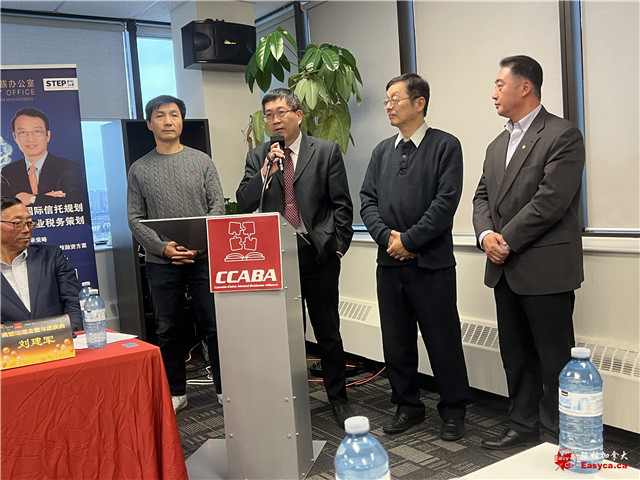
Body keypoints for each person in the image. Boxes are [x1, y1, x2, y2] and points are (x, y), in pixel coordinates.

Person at [472, 55, 585, 449]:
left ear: (525, 87)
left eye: (499, 84)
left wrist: (504, 240)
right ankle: (522, 424)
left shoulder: (562, 135)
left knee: (554, 359)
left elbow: (551, 200)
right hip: (504, 268)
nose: (493, 93)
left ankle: (557, 434)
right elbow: (482, 196)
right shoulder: (496, 144)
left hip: (544, 267)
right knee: (516, 355)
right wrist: (485, 234)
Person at [360, 73, 470, 441]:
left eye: (396, 99)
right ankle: (407, 405)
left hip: (431, 264)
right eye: (387, 100)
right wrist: (387, 238)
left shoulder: (445, 146)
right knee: (397, 340)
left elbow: (445, 203)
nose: (388, 106)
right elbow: (367, 200)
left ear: (419, 102)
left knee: (443, 340)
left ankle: (453, 409)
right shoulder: (381, 151)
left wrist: (409, 240)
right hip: (389, 264)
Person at [236, 88, 355, 429]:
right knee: (286, 335)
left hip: (317, 253)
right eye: (269, 115)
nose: (274, 120)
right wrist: (264, 172)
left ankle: (338, 399)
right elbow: (244, 201)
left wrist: (337, 247)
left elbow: (341, 205)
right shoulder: (259, 155)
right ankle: (289, 399)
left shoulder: (325, 151)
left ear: (298, 115)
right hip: (278, 257)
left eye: (281, 112)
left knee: (327, 332)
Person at [127, 95, 225, 414]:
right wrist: (164, 248)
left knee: (215, 325)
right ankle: (176, 391)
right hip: (161, 261)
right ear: (149, 124)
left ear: (182, 121)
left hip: (203, 257)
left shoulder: (202, 161)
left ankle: (225, 388)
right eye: (160, 115)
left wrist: (199, 245)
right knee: (168, 329)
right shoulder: (139, 169)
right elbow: (134, 218)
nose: (168, 121)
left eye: (174, 115)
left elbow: (217, 207)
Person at [1, 196, 82, 331]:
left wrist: (69, 334)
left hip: (59, 341)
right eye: (17, 223)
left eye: (29, 223)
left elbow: (73, 303)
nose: (27, 229)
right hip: (9, 344)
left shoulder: (51, 257)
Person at [1, 108, 85, 206]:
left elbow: (74, 205)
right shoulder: (8, 172)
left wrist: (32, 199)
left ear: (47, 135)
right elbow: (4, 208)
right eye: (22, 132)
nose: (30, 138)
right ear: (15, 137)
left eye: (37, 131)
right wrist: (46, 198)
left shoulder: (69, 168)